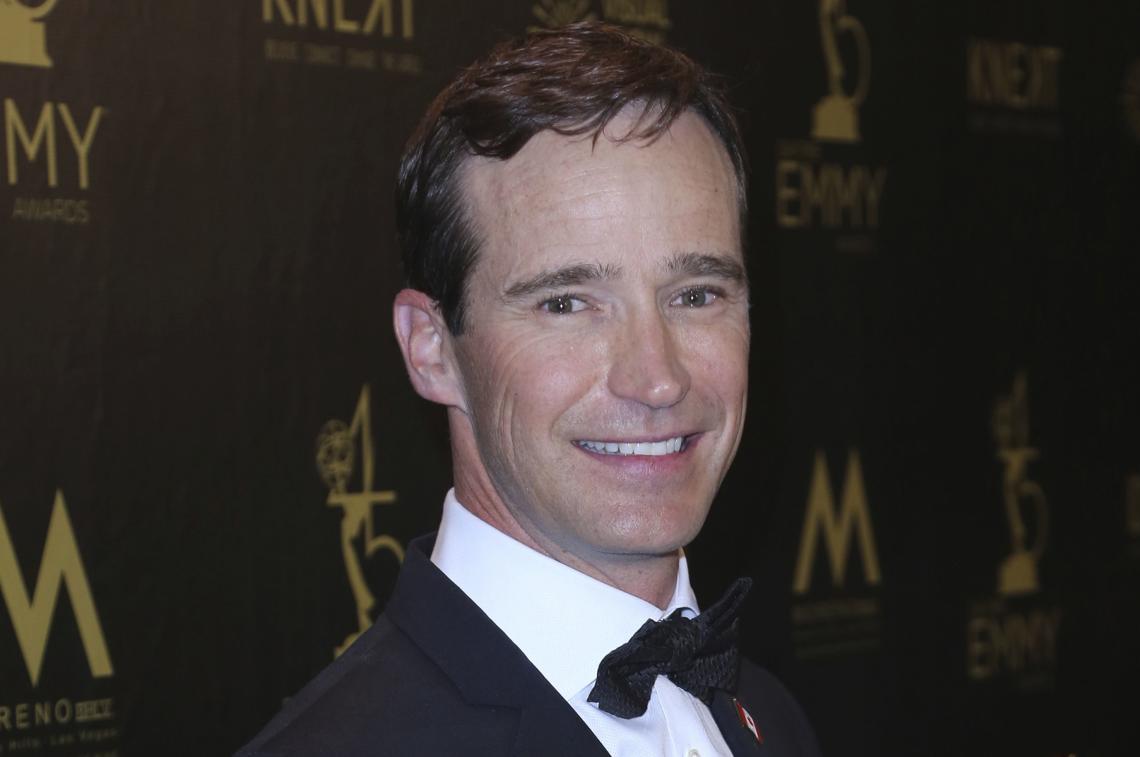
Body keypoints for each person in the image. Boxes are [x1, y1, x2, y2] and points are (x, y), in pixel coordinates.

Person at [238, 22, 822, 757]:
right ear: (431, 348)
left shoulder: (772, 721)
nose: (657, 377)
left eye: (697, 294)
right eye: (567, 303)